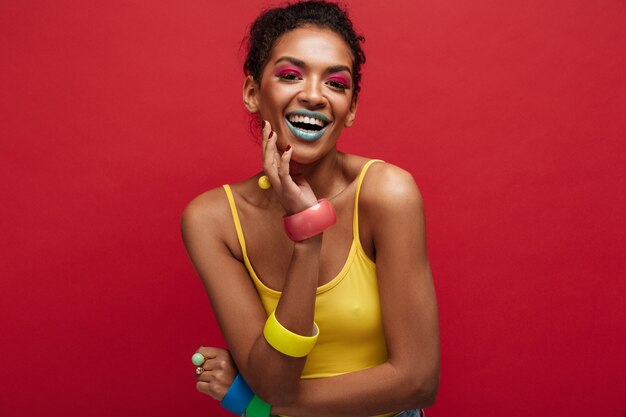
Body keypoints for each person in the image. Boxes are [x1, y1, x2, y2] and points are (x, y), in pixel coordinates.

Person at [181, 1, 440, 416]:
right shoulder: (212, 220)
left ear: (351, 108)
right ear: (252, 93)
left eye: (337, 84)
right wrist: (307, 237)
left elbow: (418, 381)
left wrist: (259, 408)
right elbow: (274, 380)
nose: (315, 95)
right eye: (289, 75)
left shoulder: (387, 193)